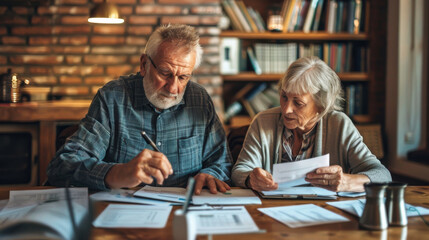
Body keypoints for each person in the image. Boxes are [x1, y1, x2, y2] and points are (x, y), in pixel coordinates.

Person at [48, 24, 231, 194]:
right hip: (123, 216)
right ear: (144, 64)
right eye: (165, 74)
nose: (173, 88)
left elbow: (221, 162)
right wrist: (118, 173)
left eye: (183, 77)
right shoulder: (112, 98)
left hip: (184, 213)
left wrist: (211, 174)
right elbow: (63, 165)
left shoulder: (199, 100)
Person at [232, 56, 391, 192]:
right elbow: (239, 171)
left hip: (324, 214)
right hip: (268, 212)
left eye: (298, 103)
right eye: (284, 97)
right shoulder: (262, 121)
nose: (286, 110)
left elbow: (382, 175)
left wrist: (346, 182)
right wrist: (250, 179)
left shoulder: (339, 124)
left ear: (321, 105)